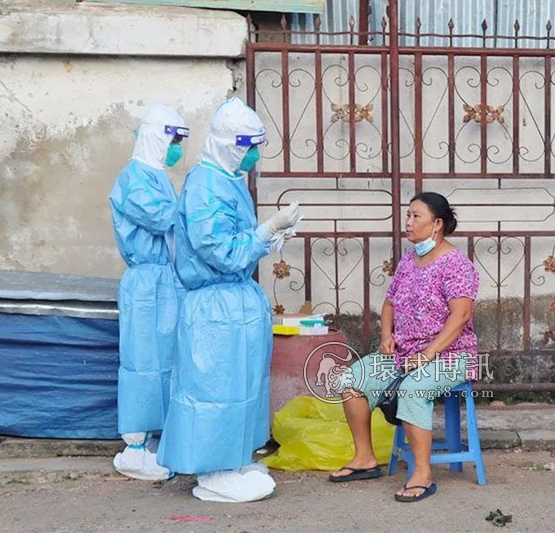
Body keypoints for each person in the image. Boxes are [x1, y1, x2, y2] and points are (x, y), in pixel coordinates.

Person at [157, 97, 302, 503]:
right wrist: (266, 230)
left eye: (258, 144)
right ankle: (213, 469)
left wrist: (270, 235)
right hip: (214, 305)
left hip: (236, 300)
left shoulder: (227, 179)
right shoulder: (204, 185)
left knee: (243, 385)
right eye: (247, 144)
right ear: (226, 143)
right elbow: (220, 251)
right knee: (214, 388)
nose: (254, 153)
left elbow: (237, 242)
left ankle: (234, 457)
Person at [329, 192, 479, 503]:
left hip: (451, 355)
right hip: (406, 353)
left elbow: (461, 315)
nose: (408, 223)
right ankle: (365, 458)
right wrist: (387, 334)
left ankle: (422, 473)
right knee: (351, 380)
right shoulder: (409, 260)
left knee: (412, 389)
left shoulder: (456, 265)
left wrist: (427, 355)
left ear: (436, 224)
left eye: (415, 216)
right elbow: (389, 302)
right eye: (407, 216)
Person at [109, 104, 189, 481]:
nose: (177, 148)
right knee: (143, 362)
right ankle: (133, 448)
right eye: (174, 139)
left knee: (166, 361)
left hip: (167, 281)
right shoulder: (134, 178)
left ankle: (152, 439)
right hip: (145, 283)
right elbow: (165, 219)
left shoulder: (157, 176)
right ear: (157, 136)